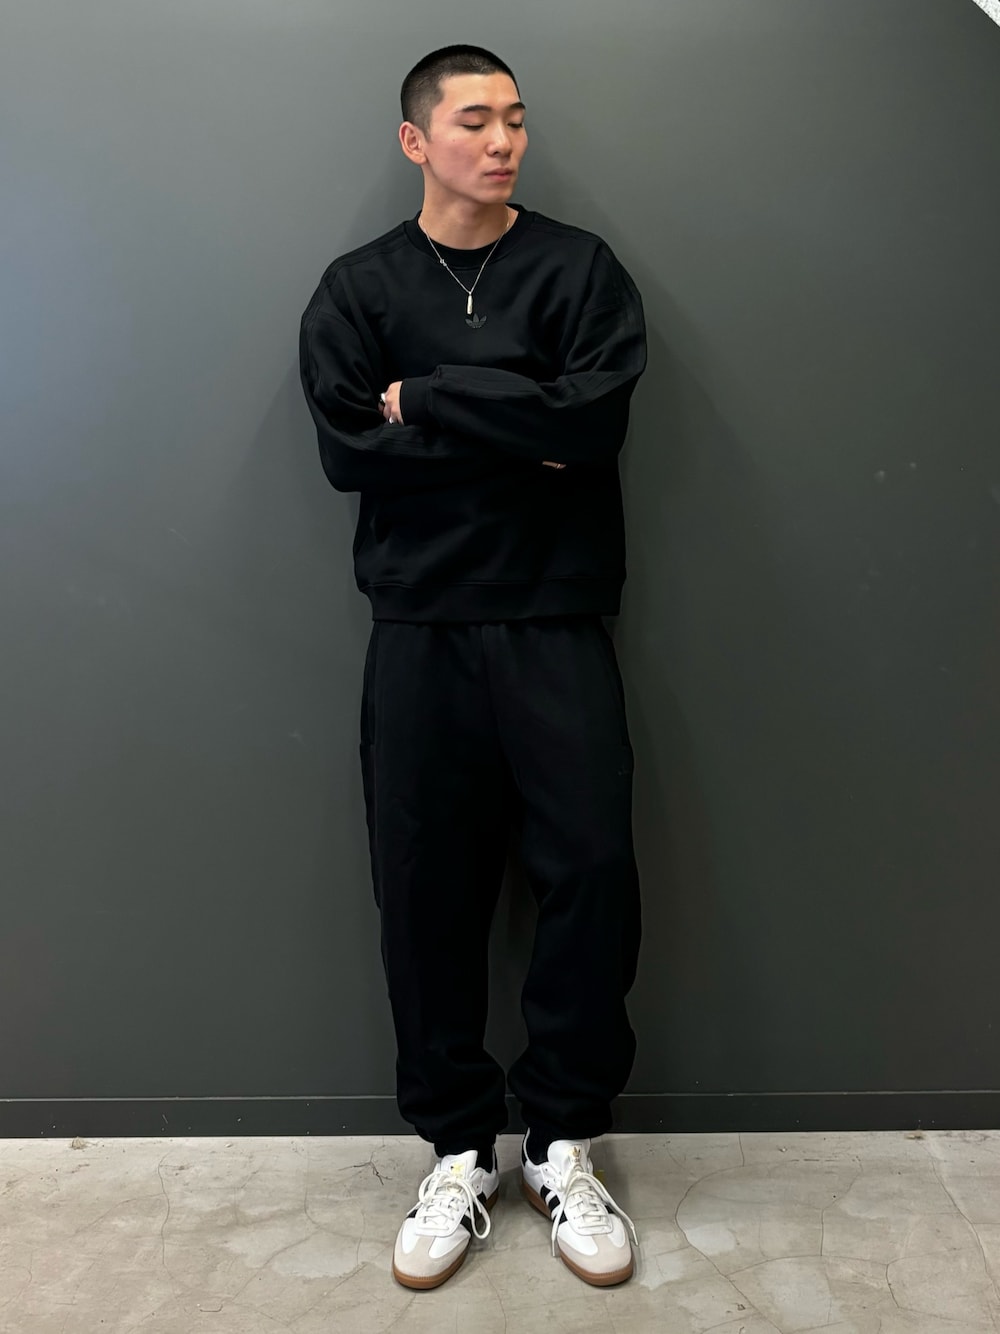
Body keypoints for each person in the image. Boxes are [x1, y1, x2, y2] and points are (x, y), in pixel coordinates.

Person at [298, 43, 646, 1292]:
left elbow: (592, 425)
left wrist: (430, 401)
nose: (502, 142)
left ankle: (560, 1139)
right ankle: (456, 1145)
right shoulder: (358, 287)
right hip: (420, 628)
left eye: (515, 121)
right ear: (416, 140)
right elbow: (347, 452)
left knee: (591, 872)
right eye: (474, 121)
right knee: (424, 886)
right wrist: (520, 418)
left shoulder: (578, 270)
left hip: (555, 618)